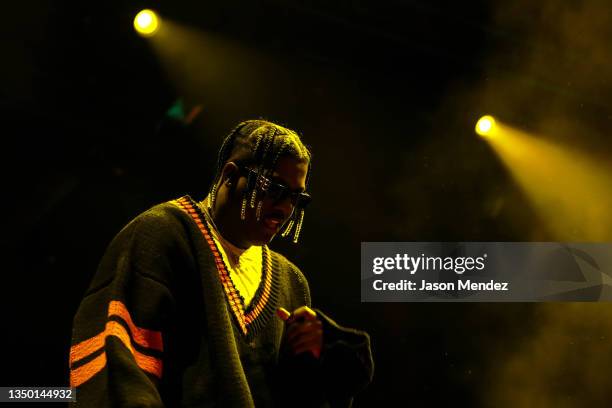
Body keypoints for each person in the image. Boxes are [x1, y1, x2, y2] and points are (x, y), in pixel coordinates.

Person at [69, 119, 373, 407]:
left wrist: (321, 359)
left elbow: (295, 396)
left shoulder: (292, 282)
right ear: (230, 176)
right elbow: (120, 356)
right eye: (275, 188)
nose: (284, 207)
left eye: (296, 198)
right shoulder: (165, 234)